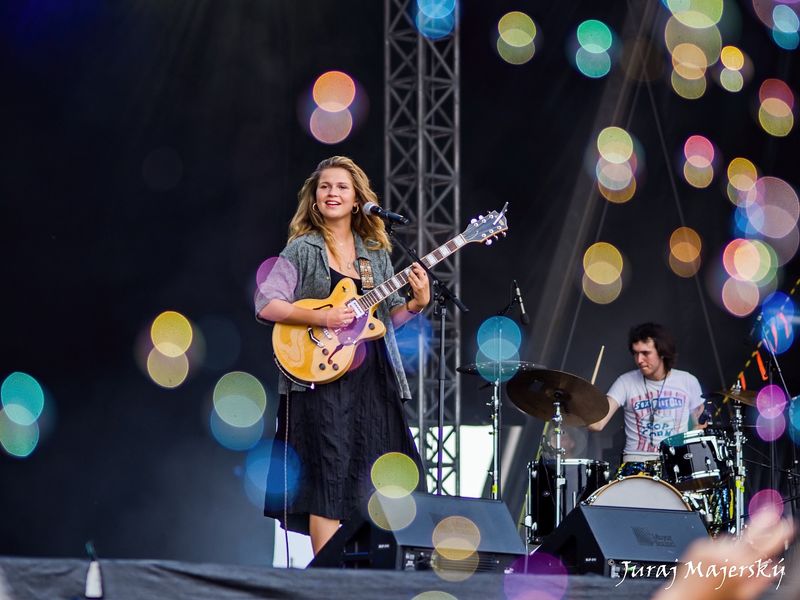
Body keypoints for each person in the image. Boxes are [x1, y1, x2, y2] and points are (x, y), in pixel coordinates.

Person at [255, 156, 430, 555]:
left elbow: (382, 324)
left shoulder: (375, 255)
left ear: (357, 200)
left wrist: (417, 305)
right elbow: (266, 304)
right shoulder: (302, 249)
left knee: (375, 479)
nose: (332, 192)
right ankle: (330, 583)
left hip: (372, 381)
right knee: (327, 477)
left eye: (342, 187)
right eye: (325, 187)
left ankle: (369, 577)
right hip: (319, 381)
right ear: (315, 199)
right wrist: (323, 314)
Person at [588, 322, 705, 476]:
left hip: (675, 464)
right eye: (636, 353)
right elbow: (597, 424)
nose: (639, 360)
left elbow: (696, 428)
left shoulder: (688, 381)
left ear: (662, 352)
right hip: (635, 465)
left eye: (645, 353)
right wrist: (581, 402)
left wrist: (697, 430)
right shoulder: (625, 382)